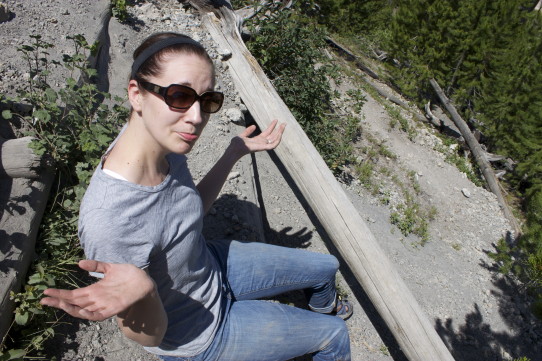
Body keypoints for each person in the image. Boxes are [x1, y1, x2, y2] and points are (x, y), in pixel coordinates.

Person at [40, 32, 352, 361]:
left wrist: (233, 152)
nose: (196, 117)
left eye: (206, 101)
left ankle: (325, 304)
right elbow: (152, 335)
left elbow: (189, 212)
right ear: (137, 94)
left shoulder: (160, 145)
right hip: (199, 334)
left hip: (211, 266)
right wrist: (144, 292)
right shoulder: (111, 222)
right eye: (179, 96)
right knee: (335, 335)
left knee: (327, 266)